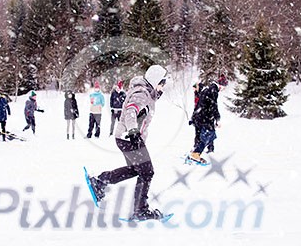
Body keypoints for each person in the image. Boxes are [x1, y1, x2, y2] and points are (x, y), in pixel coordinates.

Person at [86, 65, 168, 221]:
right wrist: (133, 132)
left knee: (135, 169)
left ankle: (100, 181)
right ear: (155, 80)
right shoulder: (142, 93)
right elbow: (131, 111)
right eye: (161, 83)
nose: (162, 87)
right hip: (129, 138)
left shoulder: (145, 93)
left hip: (125, 138)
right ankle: (140, 210)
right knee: (147, 172)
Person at [188, 79, 223, 164]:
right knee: (208, 135)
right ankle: (195, 154)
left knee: (205, 135)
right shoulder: (213, 90)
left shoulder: (207, 89)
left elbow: (200, 105)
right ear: (221, 86)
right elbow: (213, 106)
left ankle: (197, 150)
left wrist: (194, 117)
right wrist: (217, 119)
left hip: (201, 116)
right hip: (205, 117)